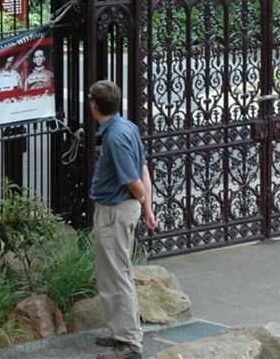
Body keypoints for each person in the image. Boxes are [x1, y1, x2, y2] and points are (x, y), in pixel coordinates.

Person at [88, 80, 156, 359]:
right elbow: (144, 169)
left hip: (114, 212)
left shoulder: (115, 138)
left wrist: (142, 199)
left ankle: (129, 344)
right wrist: (148, 208)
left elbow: (134, 181)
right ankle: (122, 332)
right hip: (123, 210)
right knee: (120, 273)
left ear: (94, 105)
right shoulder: (127, 127)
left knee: (115, 277)